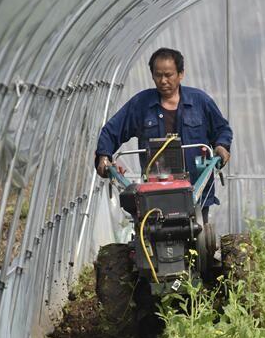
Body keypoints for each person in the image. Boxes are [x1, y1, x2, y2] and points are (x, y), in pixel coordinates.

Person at [95, 47, 232, 223]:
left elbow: (222, 129)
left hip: (196, 191)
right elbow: (112, 130)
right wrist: (104, 156)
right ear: (152, 75)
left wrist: (222, 146)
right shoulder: (141, 105)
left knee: (199, 239)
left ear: (181, 74)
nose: (163, 81)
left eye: (169, 75)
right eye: (158, 75)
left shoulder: (200, 102)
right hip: (154, 193)